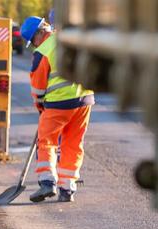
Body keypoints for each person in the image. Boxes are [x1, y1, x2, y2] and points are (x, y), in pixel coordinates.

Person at [20, 16, 94, 202]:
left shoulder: (43, 51)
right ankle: (67, 188)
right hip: (84, 100)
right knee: (73, 143)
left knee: (46, 141)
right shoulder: (70, 38)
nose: (34, 45)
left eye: (33, 41)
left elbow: (38, 87)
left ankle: (47, 183)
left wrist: (39, 105)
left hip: (58, 104)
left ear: (39, 34)